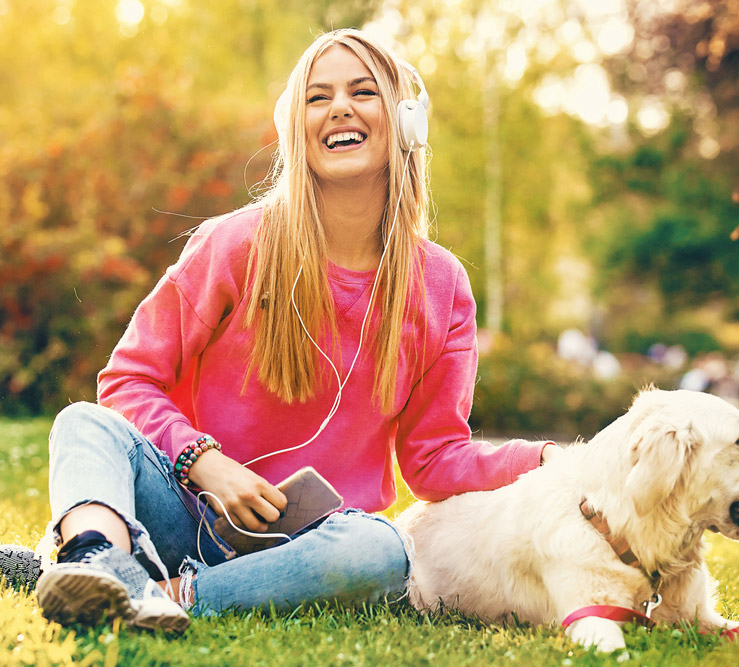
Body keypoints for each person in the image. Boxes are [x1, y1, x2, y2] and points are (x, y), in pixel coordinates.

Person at [1, 28, 553, 630]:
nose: (340, 106)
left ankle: (154, 592)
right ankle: (96, 560)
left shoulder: (441, 286)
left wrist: (546, 458)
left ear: (407, 120)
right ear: (296, 130)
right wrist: (202, 462)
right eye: (318, 97)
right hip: (184, 509)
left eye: (362, 91)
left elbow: (434, 457)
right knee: (82, 423)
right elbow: (128, 380)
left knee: (383, 552)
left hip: (308, 546)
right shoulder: (233, 244)